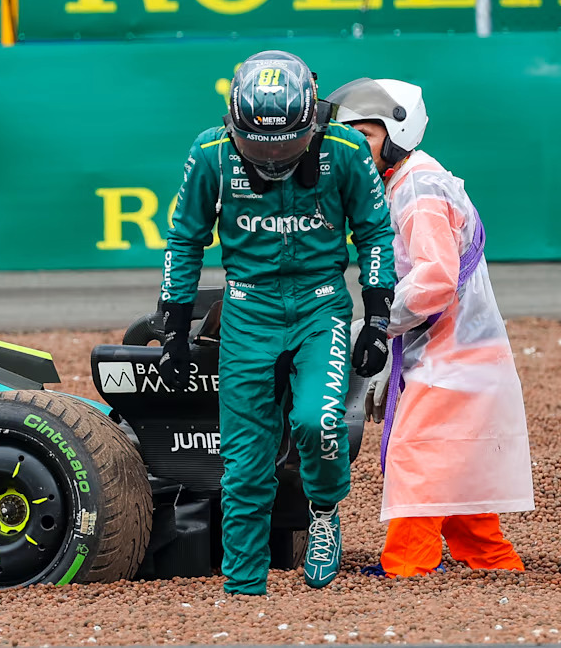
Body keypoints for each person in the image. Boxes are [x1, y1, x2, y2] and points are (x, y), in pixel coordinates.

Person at [159, 50, 396, 595]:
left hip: (319, 306)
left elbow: (376, 233)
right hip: (248, 309)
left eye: (286, 143)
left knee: (319, 423)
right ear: (233, 123)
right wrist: (173, 324)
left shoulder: (346, 148)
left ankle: (323, 514)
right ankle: (243, 586)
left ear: (311, 121)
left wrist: (378, 317)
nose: (272, 155)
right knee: (244, 458)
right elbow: (185, 237)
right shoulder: (211, 152)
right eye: (258, 144)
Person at [332, 77, 533, 577]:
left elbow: (435, 280)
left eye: (367, 134)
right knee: (452, 457)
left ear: (398, 132)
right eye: (349, 135)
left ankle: (408, 564)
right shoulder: (406, 180)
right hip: (460, 348)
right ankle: (492, 560)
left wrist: (377, 328)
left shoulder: (417, 187)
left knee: (418, 452)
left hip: (453, 352)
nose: (356, 146)